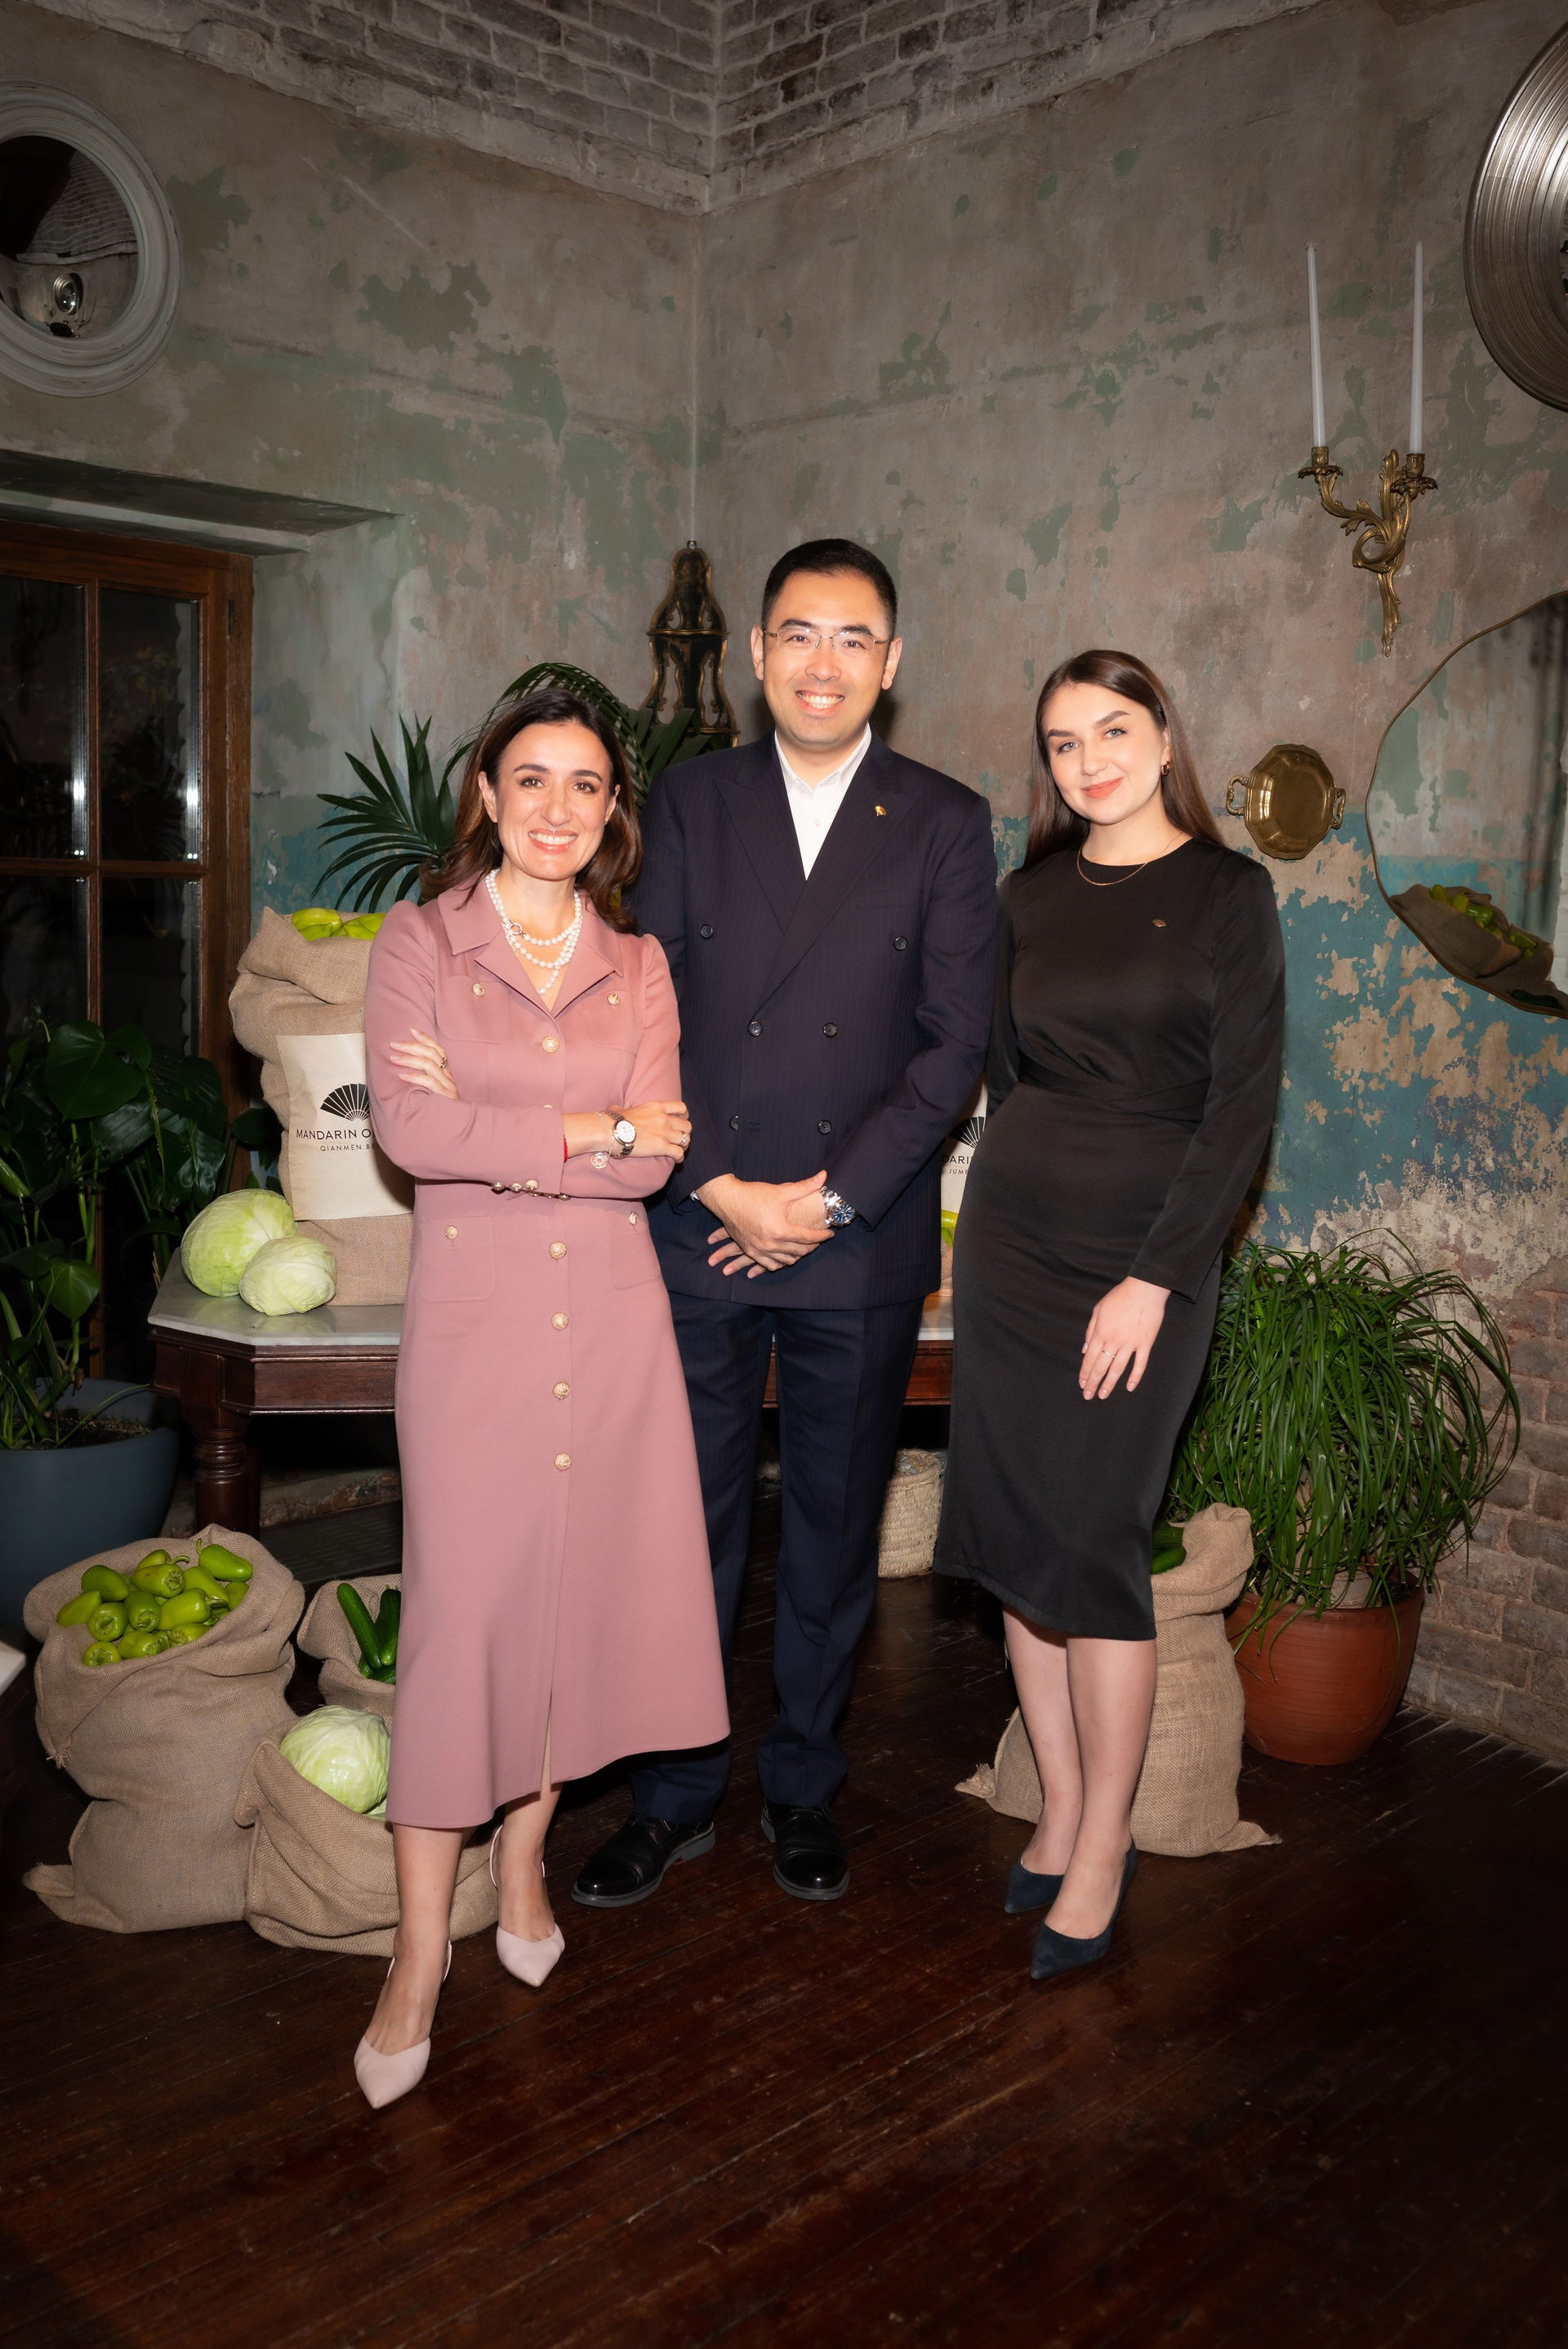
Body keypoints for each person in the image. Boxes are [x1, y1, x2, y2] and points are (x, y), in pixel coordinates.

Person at [572, 538, 997, 1911]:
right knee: (681, 1527)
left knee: (831, 1528)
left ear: (892, 661)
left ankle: (804, 1782)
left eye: (854, 638)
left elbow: (952, 1046)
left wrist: (824, 1201)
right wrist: (718, 1186)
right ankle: (675, 1792)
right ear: (758, 654)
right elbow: (640, 1015)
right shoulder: (692, 801)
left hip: (855, 1237)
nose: (825, 663)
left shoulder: (944, 819)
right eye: (799, 635)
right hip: (700, 1220)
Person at [354, 686, 728, 2107]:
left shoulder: (639, 964)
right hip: (476, 1334)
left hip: (616, 1330)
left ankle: (522, 1864)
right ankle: (415, 1957)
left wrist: (516, 1126)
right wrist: (590, 1123)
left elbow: (659, 1160)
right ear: (487, 794)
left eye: (585, 784)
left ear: (611, 808)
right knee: (464, 1625)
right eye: (532, 780)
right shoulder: (422, 943)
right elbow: (410, 1130)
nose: (557, 808)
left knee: (571, 1610)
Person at [934, 649, 1285, 1981]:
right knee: (1020, 1543)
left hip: (1147, 1259)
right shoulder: (1027, 897)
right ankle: (1064, 1801)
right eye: (1065, 741)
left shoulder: (1229, 893)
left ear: (1164, 738)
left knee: (1094, 1546)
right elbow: (1001, 1079)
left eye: (1115, 730)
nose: (1090, 760)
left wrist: (1156, 1276)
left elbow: (1240, 1107)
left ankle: (1104, 1844)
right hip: (1015, 1247)